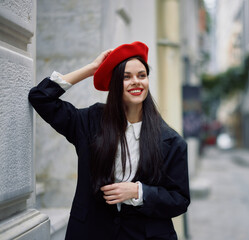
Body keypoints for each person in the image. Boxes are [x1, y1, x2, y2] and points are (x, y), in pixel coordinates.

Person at [28, 41, 190, 240]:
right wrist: (92, 69)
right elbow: (41, 98)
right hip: (93, 232)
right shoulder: (90, 121)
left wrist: (138, 192)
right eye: (126, 77)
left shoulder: (172, 141)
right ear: (114, 83)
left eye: (142, 75)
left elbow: (179, 200)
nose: (136, 82)